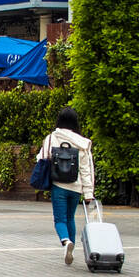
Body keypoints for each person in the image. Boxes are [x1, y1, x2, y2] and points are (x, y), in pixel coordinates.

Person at [38, 106, 96, 266]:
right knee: (70, 218)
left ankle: (65, 242)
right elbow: (86, 169)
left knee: (59, 219)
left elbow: (42, 158)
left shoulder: (51, 138)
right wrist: (89, 193)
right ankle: (71, 247)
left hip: (59, 185)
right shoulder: (83, 143)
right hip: (76, 187)